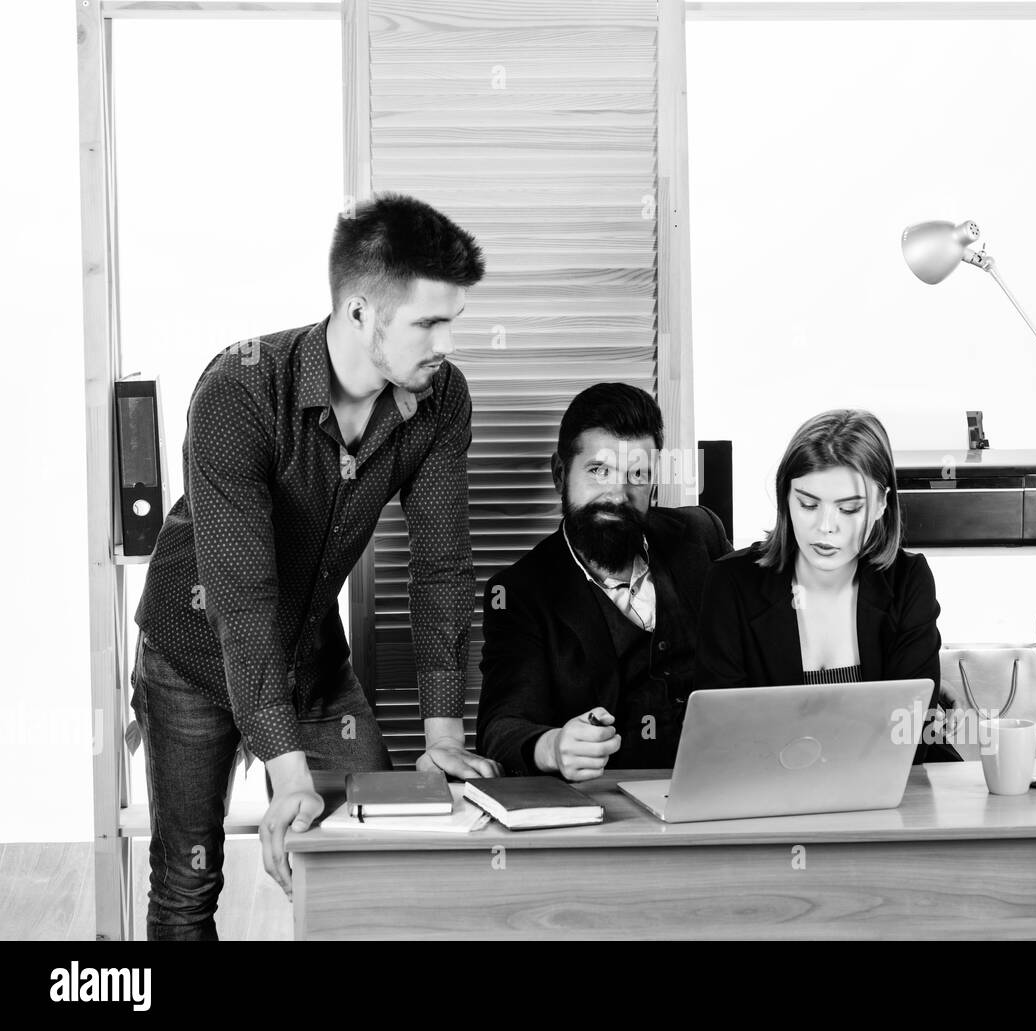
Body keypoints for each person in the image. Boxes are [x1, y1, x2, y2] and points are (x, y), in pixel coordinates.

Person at [130, 192, 500, 940]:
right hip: (195, 651)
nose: (446, 343)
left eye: (451, 321)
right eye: (429, 321)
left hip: (311, 659)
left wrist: (443, 733)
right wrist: (287, 773)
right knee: (188, 881)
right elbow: (241, 600)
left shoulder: (440, 399)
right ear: (361, 313)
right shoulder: (238, 391)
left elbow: (439, 569)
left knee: (376, 852)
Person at [476, 383, 732, 780]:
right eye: (599, 470)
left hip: (722, 787)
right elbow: (503, 725)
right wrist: (554, 747)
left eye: (637, 474)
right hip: (607, 807)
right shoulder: (519, 592)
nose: (617, 492)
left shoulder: (701, 534)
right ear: (560, 474)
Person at [695, 408, 960, 763]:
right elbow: (723, 737)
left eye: (849, 509)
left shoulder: (908, 580)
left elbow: (910, 738)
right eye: (808, 504)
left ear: (882, 503)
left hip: (890, 794)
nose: (826, 527)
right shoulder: (731, 584)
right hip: (770, 797)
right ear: (785, 499)